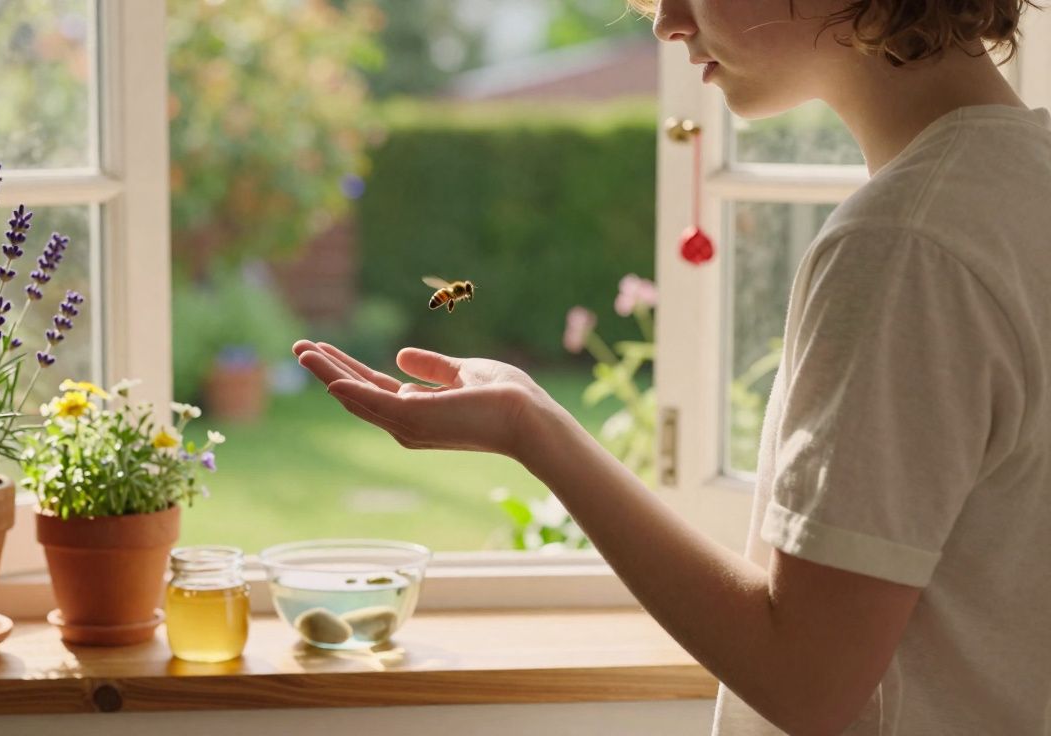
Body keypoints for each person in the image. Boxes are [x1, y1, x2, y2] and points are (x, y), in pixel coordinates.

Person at [296, 0, 1051, 733]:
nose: (665, 20)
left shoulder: (905, 244)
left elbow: (809, 683)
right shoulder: (1020, 181)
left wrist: (536, 432)